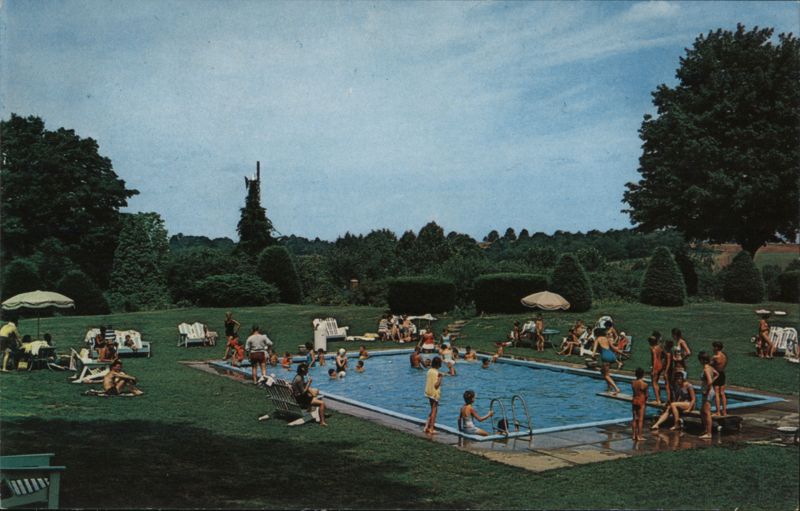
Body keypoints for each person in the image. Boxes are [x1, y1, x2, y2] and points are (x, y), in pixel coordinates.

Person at [592, 327, 621, 394]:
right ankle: (609, 387)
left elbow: (594, 350)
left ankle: (616, 389)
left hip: (605, 357)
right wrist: (623, 354)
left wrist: (593, 356)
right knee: (603, 371)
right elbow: (613, 348)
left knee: (606, 375)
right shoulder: (607, 338)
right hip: (612, 356)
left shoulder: (597, 339)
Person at [698, 351, 719, 439]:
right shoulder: (710, 367)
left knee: (707, 413)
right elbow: (717, 374)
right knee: (702, 411)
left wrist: (706, 390)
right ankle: (706, 429)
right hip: (710, 391)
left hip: (708, 392)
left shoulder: (706, 369)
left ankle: (709, 433)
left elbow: (709, 381)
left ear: (702, 360)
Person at [424, 357, 443, 434]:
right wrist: (440, 378)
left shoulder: (429, 371)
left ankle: (426, 427)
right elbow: (436, 385)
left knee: (432, 410)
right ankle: (431, 428)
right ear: (439, 364)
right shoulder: (437, 373)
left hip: (428, 392)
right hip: (434, 393)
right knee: (434, 411)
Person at [631, 368, 648, 441]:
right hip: (641, 401)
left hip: (634, 400)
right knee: (640, 419)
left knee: (634, 419)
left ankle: (634, 435)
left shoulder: (633, 382)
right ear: (643, 375)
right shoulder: (644, 384)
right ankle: (639, 436)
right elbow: (646, 394)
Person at [711, 341, 728, 416]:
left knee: (717, 393)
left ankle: (718, 411)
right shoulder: (724, 356)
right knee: (722, 393)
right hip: (722, 373)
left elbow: (709, 364)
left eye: (714, 347)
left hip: (716, 374)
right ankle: (724, 411)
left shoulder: (715, 357)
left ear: (716, 348)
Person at [648, 336, 665, 405]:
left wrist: (654, 369)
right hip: (661, 365)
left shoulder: (653, 349)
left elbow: (655, 359)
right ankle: (659, 398)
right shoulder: (660, 347)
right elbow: (663, 355)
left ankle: (658, 400)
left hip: (656, 366)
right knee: (656, 382)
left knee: (654, 383)